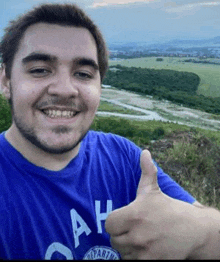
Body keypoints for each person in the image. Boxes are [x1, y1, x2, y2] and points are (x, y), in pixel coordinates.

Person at [0, 2, 219, 260]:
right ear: (6, 81)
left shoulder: (122, 157)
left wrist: (199, 232)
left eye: (83, 73)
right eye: (39, 70)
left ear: (100, 87)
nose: (65, 89)